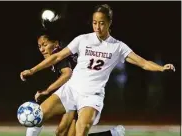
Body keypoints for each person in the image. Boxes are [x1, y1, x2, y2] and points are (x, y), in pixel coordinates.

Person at [20, 4, 175, 136]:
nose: (97, 27)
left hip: (91, 97)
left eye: (101, 23)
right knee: (37, 116)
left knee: (79, 134)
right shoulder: (83, 39)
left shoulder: (118, 47)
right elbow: (56, 57)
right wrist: (32, 70)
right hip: (71, 90)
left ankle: (111, 133)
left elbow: (143, 63)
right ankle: (112, 134)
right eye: (95, 23)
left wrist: (162, 68)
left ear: (109, 23)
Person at [26, 32, 126, 136]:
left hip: (82, 94)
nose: (42, 49)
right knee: (62, 133)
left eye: (45, 45)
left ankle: (113, 134)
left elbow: (67, 74)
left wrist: (47, 91)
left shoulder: (59, 56)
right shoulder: (63, 54)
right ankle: (112, 134)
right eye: (39, 46)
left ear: (56, 44)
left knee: (62, 132)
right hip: (75, 94)